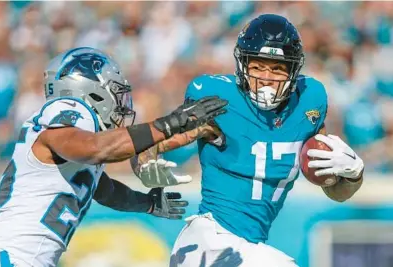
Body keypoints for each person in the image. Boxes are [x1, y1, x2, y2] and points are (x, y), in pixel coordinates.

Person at [133, 14, 365, 267]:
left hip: (249, 248)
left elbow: (336, 192)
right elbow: (147, 146)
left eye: (277, 68)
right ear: (242, 66)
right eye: (258, 66)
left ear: (293, 70)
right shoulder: (220, 101)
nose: (266, 77)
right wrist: (145, 166)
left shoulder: (309, 102)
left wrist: (353, 174)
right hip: (208, 242)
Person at [0, 47, 228, 267]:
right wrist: (168, 124)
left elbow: (105, 190)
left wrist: (147, 203)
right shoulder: (69, 112)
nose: (122, 104)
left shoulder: (80, 146)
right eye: (116, 93)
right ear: (91, 91)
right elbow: (95, 148)